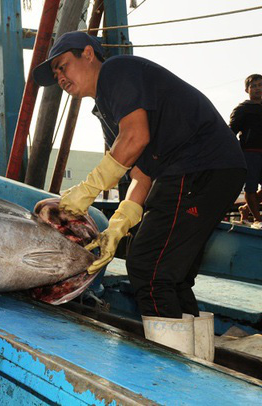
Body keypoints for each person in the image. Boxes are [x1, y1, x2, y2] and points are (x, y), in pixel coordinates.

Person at [33, 31, 246, 357]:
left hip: (197, 166)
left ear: (88, 54)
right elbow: (141, 174)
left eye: (63, 66)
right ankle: (196, 363)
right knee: (173, 274)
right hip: (211, 168)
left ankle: (167, 377)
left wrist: (86, 191)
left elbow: (135, 139)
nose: (60, 77)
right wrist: (116, 227)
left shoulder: (117, 72)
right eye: (56, 75)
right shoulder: (107, 110)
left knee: (148, 266)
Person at [229, 74, 262, 228]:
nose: (257, 88)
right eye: (254, 86)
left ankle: (245, 209)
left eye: (260, 85)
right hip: (250, 152)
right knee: (251, 187)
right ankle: (257, 219)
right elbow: (231, 132)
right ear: (247, 90)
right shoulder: (243, 109)